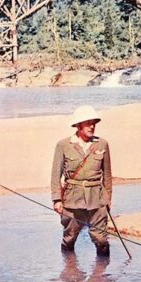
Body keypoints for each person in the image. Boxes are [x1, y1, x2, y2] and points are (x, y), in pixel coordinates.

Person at [51, 105, 112, 257]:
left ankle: (102, 277)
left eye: (94, 123)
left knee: (101, 239)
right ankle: (69, 271)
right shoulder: (63, 145)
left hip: (97, 199)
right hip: (72, 199)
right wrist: (57, 199)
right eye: (87, 123)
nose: (92, 126)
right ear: (78, 125)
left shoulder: (102, 144)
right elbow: (55, 174)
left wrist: (108, 199)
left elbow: (108, 175)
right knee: (69, 237)